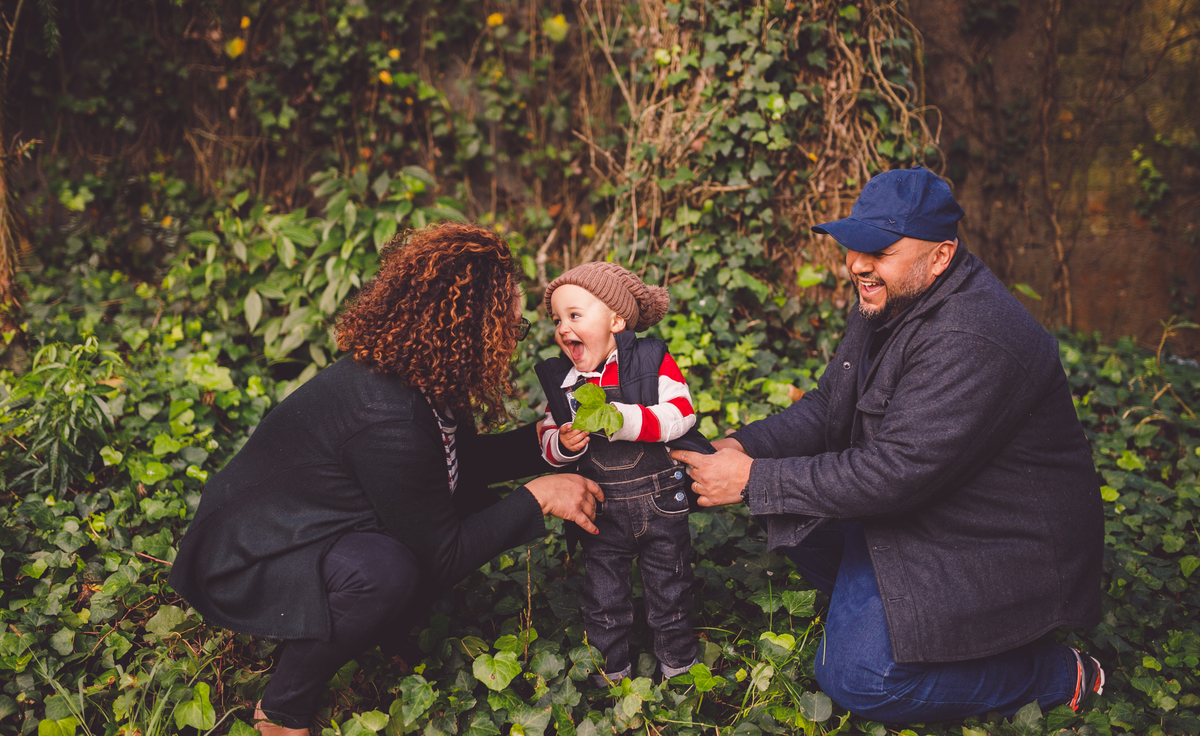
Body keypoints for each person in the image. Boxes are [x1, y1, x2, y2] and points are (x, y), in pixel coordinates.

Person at [673, 167, 1106, 723]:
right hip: (934, 507)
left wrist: (753, 478)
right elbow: (831, 405)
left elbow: (894, 473)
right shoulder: (894, 298)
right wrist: (734, 448)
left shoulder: (971, 335)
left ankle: (1055, 673)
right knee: (783, 500)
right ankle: (889, 616)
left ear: (941, 255)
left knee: (861, 678)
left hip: (996, 542)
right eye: (853, 245)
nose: (856, 263)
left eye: (879, 249)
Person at [169, 223, 604, 736]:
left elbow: (450, 469)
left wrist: (544, 443)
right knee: (388, 572)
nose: (514, 339)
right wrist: (538, 498)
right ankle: (281, 712)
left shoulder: (425, 376)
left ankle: (373, 627)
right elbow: (439, 556)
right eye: (511, 327)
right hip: (250, 555)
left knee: (451, 512)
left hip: (309, 522)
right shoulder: (388, 415)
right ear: (470, 330)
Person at [533, 262, 714, 685]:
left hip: (659, 505)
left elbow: (681, 414)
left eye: (575, 315)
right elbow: (543, 434)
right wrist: (561, 443)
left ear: (616, 320)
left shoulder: (651, 360)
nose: (563, 328)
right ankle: (610, 674)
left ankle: (679, 666)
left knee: (669, 589)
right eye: (557, 319)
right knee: (603, 598)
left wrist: (622, 419)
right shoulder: (563, 382)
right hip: (603, 511)